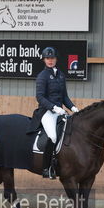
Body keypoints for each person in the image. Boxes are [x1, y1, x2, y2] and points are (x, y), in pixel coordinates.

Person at [35, 47, 79, 179]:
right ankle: (46, 168)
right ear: (44, 60)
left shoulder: (60, 75)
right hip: (47, 112)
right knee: (53, 137)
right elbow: (40, 97)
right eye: (48, 58)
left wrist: (73, 108)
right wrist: (54, 107)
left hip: (60, 111)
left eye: (52, 58)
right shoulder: (42, 76)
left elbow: (64, 96)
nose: (50, 60)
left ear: (56, 59)